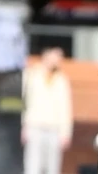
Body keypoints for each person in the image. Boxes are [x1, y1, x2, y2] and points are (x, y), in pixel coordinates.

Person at [23, 46, 74, 174]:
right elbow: (24, 100)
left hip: (54, 129)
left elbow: (65, 107)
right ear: (47, 55)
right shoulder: (32, 74)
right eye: (56, 56)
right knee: (32, 166)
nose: (59, 60)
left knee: (53, 168)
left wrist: (66, 133)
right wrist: (23, 126)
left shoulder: (61, 79)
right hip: (35, 126)